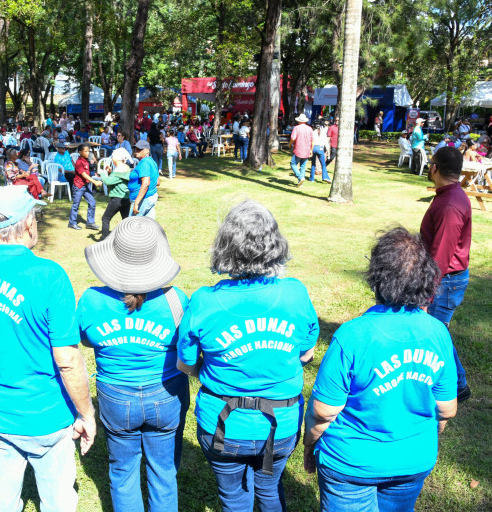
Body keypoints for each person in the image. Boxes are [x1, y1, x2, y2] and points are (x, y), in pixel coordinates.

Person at [0, 186, 96, 512]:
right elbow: (68, 360)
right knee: (58, 501)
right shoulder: (50, 275)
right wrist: (87, 414)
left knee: (2, 499)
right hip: (47, 415)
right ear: (28, 223)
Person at [177, 200, 318, 511]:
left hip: (223, 425)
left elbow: (185, 364)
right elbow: (306, 355)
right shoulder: (295, 293)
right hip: (281, 422)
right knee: (269, 489)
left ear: (225, 246)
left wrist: (213, 369)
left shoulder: (204, 301)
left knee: (233, 499)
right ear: (275, 244)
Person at [303, 227, 458, 511]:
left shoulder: (352, 335)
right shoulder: (438, 333)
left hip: (350, 464)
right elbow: (446, 409)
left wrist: (308, 447)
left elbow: (324, 411)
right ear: (425, 278)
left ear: (377, 277)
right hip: (413, 461)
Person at [77, 216, 189, 511]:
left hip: (116, 395)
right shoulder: (176, 300)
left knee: (122, 473)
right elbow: (186, 347)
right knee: (164, 473)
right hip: (165, 393)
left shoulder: (91, 300)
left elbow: (88, 340)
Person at [422, 146, 472, 402]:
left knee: (437, 333)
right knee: (437, 331)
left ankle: (459, 384)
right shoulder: (448, 195)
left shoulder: (450, 204)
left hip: (446, 281)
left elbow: (442, 253)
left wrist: (425, 292)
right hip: (447, 279)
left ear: (435, 167)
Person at [68, 143, 102, 230]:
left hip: (85, 186)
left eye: (88, 151)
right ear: (80, 152)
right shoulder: (79, 162)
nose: (88, 153)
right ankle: (72, 223)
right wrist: (94, 182)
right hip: (78, 186)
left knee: (92, 202)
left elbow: (87, 173)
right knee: (76, 205)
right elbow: (83, 175)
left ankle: (90, 223)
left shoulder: (86, 160)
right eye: (85, 151)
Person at [99, 148, 132, 238]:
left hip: (117, 199)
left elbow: (108, 181)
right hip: (126, 198)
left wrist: (102, 173)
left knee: (105, 218)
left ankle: (104, 241)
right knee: (126, 220)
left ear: (116, 159)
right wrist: (110, 172)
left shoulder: (119, 169)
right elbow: (118, 179)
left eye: (112, 157)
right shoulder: (126, 167)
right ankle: (128, 239)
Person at [128, 140, 158, 218]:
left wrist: (137, 202)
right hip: (150, 197)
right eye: (135, 149)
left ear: (147, 150)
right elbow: (158, 181)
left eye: (139, 149)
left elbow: (146, 183)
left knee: (131, 226)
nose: (136, 151)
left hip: (144, 199)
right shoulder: (151, 161)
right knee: (148, 226)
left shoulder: (144, 163)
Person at [290, 114, 313, 187]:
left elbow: (293, 138)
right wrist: (311, 150)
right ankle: (301, 183)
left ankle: (300, 177)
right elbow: (312, 140)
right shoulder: (310, 128)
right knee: (303, 166)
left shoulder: (296, 128)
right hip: (307, 149)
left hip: (298, 149)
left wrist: (290, 144)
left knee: (293, 163)